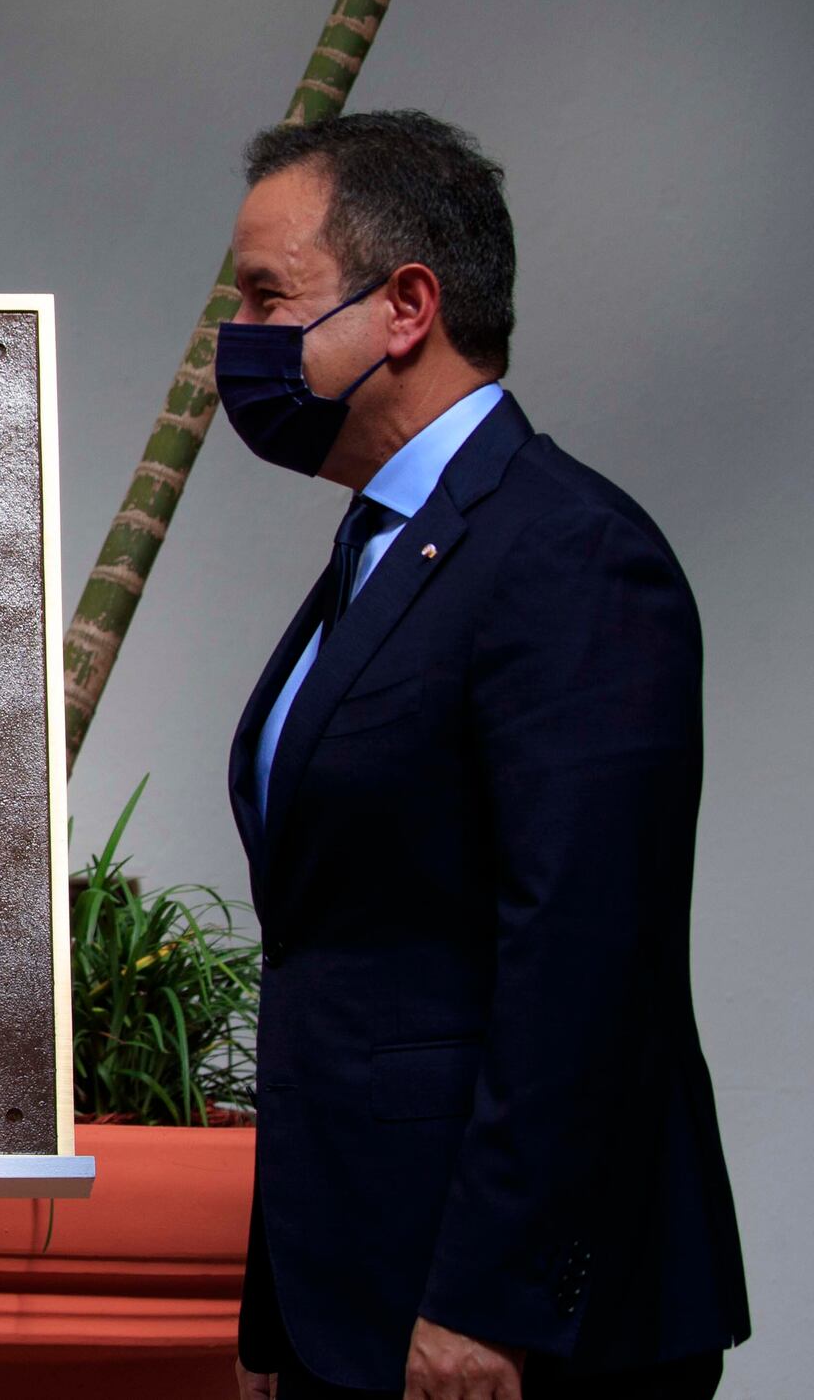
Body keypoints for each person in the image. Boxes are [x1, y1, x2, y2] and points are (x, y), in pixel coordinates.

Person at [216, 111, 749, 1400]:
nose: (238, 344)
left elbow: (583, 957)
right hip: (352, 1301)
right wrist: (272, 1318)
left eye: (267, 297)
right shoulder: (382, 547)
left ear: (405, 306)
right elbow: (340, 958)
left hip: (493, 1331)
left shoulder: (567, 553)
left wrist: (484, 1305)